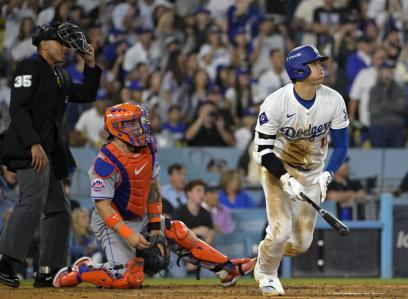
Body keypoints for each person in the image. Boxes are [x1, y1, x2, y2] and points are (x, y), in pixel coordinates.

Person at [52, 103, 256, 289]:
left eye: (138, 122)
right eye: (132, 124)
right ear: (118, 128)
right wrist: (129, 234)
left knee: (178, 231)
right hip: (112, 222)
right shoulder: (105, 162)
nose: (139, 127)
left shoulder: (148, 148)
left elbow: (153, 189)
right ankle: (81, 272)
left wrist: (155, 227)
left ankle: (226, 269)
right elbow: (103, 207)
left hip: (140, 214)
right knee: (129, 280)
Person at [0, 21, 102, 288]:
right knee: (32, 202)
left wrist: (90, 64)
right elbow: (19, 109)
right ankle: (5, 262)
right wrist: (33, 144)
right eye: (61, 42)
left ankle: (49, 270)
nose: (67, 48)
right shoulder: (30, 67)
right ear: (44, 45)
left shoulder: (60, 74)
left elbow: (88, 93)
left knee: (59, 211)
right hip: (30, 149)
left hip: (51, 152)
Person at [252, 45, 349, 296]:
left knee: (300, 244)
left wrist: (327, 176)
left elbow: (342, 145)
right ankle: (267, 274)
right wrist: (285, 178)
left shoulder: (334, 99)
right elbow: (263, 150)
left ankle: (262, 256)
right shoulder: (275, 103)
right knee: (280, 229)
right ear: (299, 69)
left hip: (314, 172)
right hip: (277, 168)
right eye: (315, 63)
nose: (321, 67)